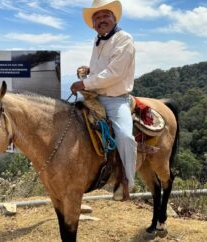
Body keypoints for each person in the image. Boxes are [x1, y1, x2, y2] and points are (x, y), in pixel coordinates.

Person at [70, 0, 137, 200]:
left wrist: (84, 84)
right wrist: (89, 72)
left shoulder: (124, 38)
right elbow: (103, 69)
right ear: (93, 23)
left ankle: (127, 182)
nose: (101, 20)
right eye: (97, 17)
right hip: (95, 96)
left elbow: (115, 73)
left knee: (125, 137)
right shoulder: (98, 40)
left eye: (105, 15)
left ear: (114, 18)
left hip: (115, 99)